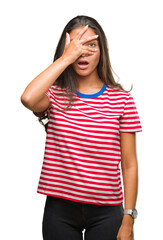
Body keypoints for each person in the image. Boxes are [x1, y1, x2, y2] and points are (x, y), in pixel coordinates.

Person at [21, 15, 142, 240]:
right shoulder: (54, 94)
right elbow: (28, 98)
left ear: (102, 51)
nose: (83, 52)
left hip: (107, 212)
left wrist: (128, 218)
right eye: (76, 45)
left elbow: (129, 163)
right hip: (60, 211)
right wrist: (66, 59)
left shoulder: (122, 100)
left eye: (91, 45)